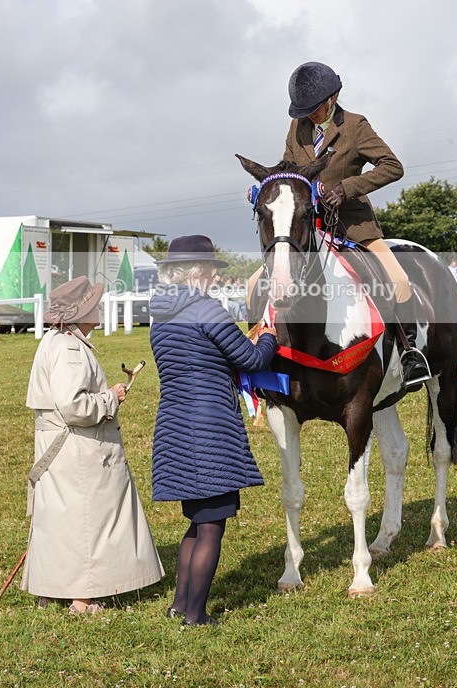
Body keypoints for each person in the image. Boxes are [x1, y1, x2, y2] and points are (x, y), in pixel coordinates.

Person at [150, 235, 278, 626]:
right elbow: (252, 359)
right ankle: (196, 615)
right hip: (209, 428)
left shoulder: (161, 314)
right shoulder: (208, 310)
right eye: (210, 270)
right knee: (211, 526)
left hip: (173, 424)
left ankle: (178, 604)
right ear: (201, 272)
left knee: (196, 520)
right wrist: (270, 334)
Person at [283, 60, 431, 389]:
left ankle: (409, 356)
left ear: (332, 97)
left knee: (399, 279)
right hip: (311, 229)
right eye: (304, 110)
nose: (310, 116)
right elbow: (291, 171)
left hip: (354, 226)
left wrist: (347, 188)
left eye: (314, 109)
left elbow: (393, 166)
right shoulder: (297, 130)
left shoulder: (355, 126)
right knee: (261, 281)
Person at [22, 276, 164, 614]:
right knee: (87, 522)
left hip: (63, 449)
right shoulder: (70, 348)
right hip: (77, 449)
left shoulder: (56, 341)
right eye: (93, 303)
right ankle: (82, 600)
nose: (99, 307)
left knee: (59, 519)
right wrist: (110, 399)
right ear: (80, 311)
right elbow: (74, 407)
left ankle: (51, 590)